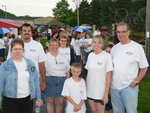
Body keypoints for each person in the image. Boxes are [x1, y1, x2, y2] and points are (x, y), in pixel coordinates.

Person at [7, 23, 47, 113]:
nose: (27, 33)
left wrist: (43, 81)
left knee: (35, 108)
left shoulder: (37, 46)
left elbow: (41, 64)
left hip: (34, 82)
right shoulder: (14, 45)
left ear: (32, 33)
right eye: (24, 30)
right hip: (17, 82)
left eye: (29, 31)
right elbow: (9, 64)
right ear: (20, 32)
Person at [110, 22, 149, 113]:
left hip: (129, 88)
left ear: (128, 32)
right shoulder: (114, 48)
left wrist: (136, 82)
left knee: (131, 111)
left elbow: (144, 67)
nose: (120, 34)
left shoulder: (137, 47)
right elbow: (111, 68)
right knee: (117, 111)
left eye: (123, 31)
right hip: (114, 88)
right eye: (118, 32)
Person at [0, 38, 43, 113]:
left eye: (20, 49)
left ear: (23, 50)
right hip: (10, 100)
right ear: (11, 50)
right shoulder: (4, 66)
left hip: (27, 100)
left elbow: (36, 82)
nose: (17, 51)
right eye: (15, 49)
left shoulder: (30, 64)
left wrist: (38, 97)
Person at [85, 35, 113, 113]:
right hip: (90, 90)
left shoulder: (106, 56)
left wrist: (106, 93)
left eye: (99, 42)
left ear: (102, 44)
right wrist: (85, 86)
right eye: (94, 42)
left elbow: (109, 76)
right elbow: (88, 73)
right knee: (93, 110)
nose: (96, 45)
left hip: (100, 91)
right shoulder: (91, 55)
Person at [44, 38, 70, 113]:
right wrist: (42, 82)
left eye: (56, 45)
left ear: (58, 46)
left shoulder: (63, 57)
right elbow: (42, 71)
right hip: (50, 80)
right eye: (52, 45)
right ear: (49, 46)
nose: (54, 47)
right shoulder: (45, 57)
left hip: (62, 81)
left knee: (60, 102)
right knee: (50, 102)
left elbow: (68, 70)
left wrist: (68, 83)